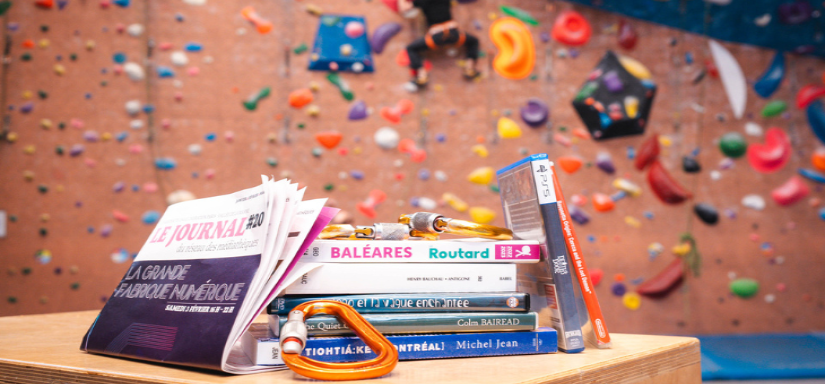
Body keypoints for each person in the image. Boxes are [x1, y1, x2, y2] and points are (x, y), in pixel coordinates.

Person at [398, 0, 480, 89]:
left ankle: (422, 76)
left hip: (436, 36)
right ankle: (469, 68)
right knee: (473, 41)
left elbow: (405, 8)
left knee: (411, 48)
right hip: (453, 33)